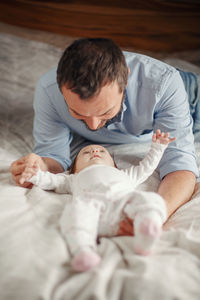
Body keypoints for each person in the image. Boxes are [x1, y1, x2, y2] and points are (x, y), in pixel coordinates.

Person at [10, 38, 199, 236]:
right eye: (78, 113)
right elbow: (53, 157)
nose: (93, 126)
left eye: (105, 112)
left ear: (125, 80)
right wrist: (35, 167)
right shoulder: (48, 91)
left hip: (193, 100)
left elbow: (180, 165)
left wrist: (154, 216)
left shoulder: (164, 83)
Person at [20, 130, 175, 272]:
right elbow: (51, 180)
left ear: (114, 165)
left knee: (150, 199)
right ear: (75, 169)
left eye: (102, 151)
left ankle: (146, 229)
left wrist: (157, 147)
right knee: (75, 212)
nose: (94, 151)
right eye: (85, 152)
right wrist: (35, 175)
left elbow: (146, 167)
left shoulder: (126, 174)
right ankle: (82, 250)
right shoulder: (72, 179)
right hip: (93, 213)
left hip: (124, 209)